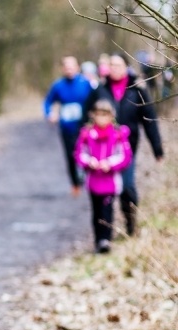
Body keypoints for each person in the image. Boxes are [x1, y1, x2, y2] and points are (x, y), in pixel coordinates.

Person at [84, 53, 164, 236]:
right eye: (111, 65)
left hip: (127, 149)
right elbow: (86, 115)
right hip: (102, 150)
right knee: (104, 193)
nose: (114, 68)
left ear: (126, 67)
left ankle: (130, 223)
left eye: (118, 65)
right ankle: (105, 234)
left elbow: (149, 119)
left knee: (127, 187)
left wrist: (157, 148)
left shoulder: (137, 89)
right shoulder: (100, 89)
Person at [74, 99, 133, 253]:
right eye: (98, 115)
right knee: (96, 211)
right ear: (93, 116)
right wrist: (89, 162)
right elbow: (80, 154)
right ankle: (98, 239)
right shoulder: (87, 134)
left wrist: (110, 164)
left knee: (107, 210)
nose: (101, 118)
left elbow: (125, 156)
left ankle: (105, 240)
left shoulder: (118, 135)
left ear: (111, 116)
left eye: (104, 115)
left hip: (110, 181)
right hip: (93, 181)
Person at [43, 56, 94, 197]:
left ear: (77, 67)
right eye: (66, 67)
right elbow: (47, 102)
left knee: (87, 152)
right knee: (71, 155)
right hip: (66, 127)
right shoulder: (58, 85)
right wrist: (50, 114)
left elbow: (96, 100)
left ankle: (89, 180)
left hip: (84, 126)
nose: (69, 69)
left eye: (72, 66)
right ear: (62, 69)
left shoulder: (86, 83)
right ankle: (75, 184)